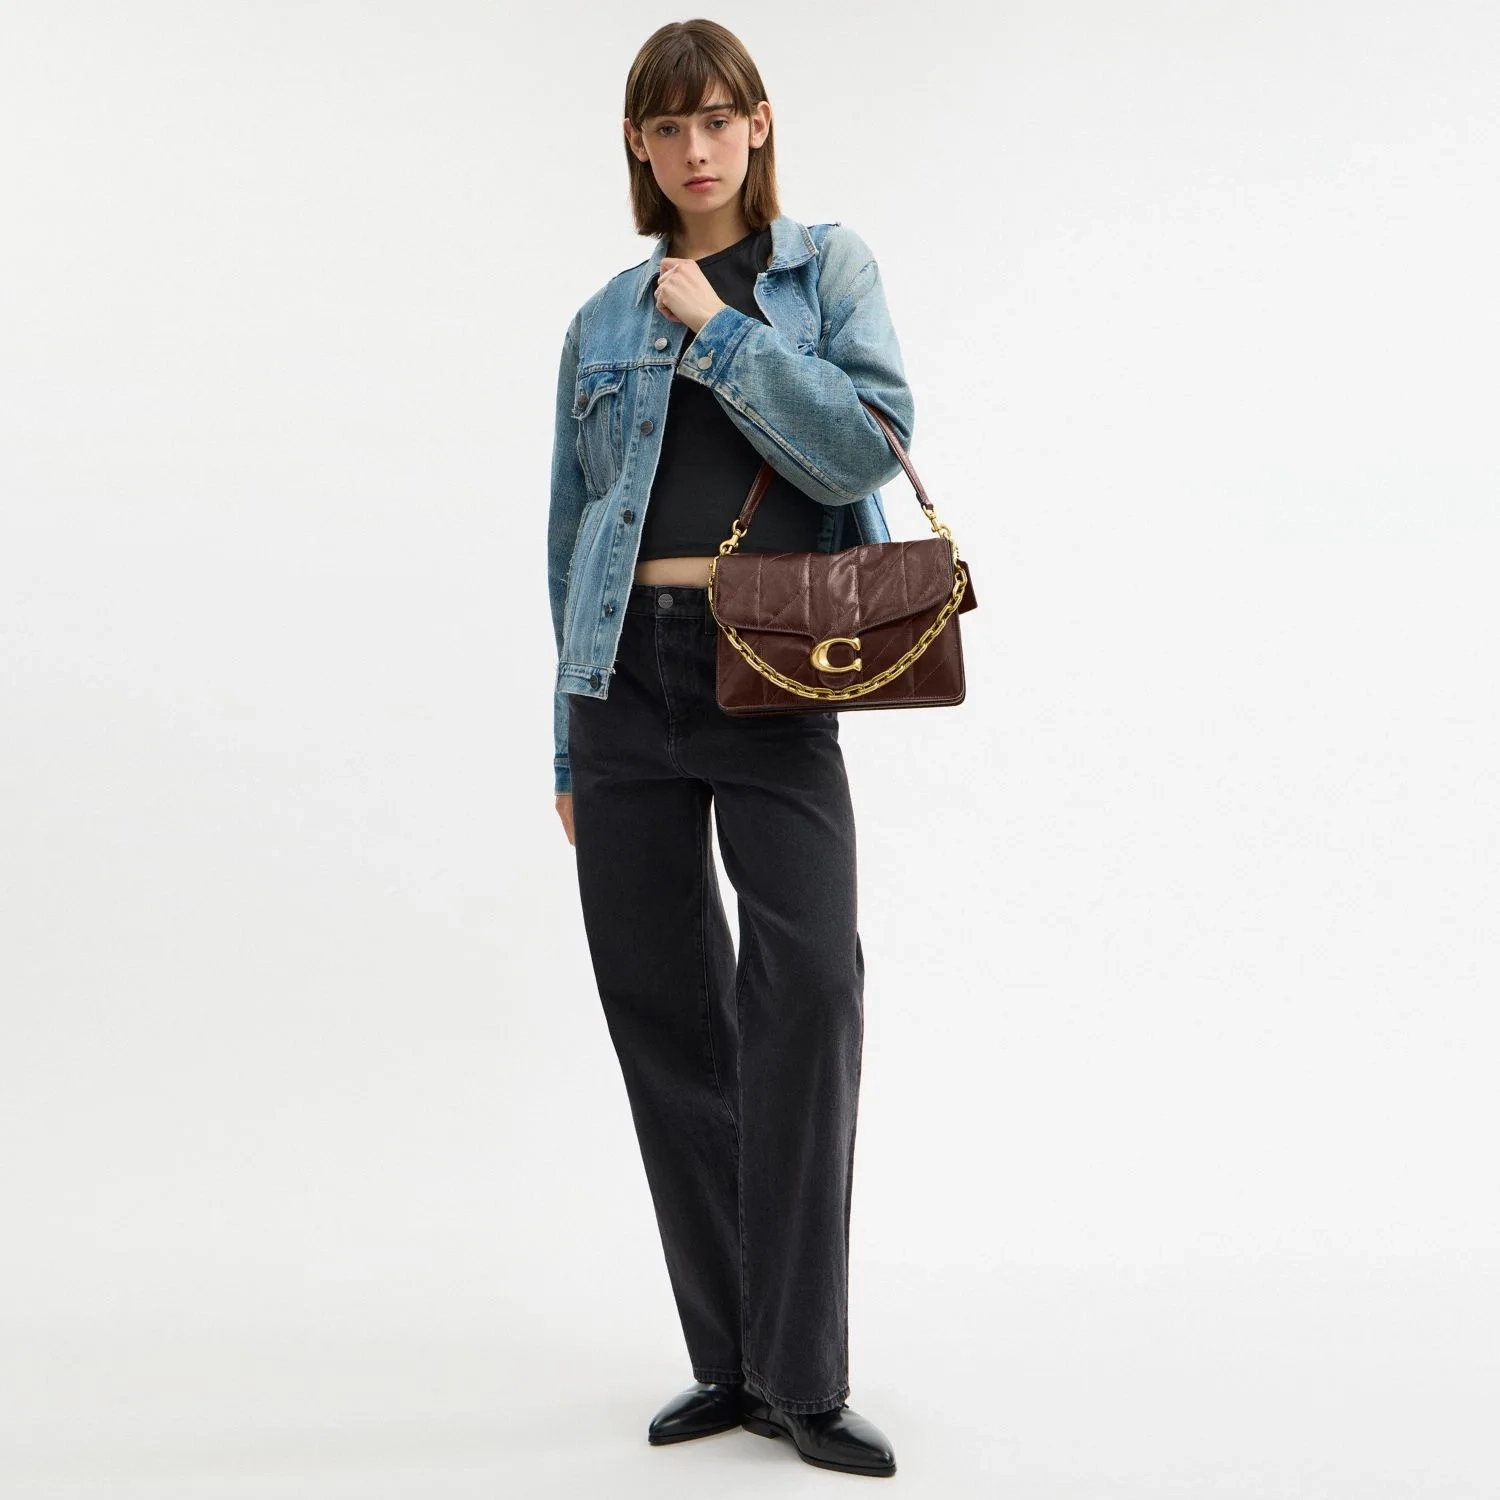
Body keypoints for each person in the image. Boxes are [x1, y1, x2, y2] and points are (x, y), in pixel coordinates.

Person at [545, 18, 914, 1479]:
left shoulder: (826, 272)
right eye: (667, 127)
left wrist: (725, 331)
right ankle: (732, 1361)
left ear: (757, 124)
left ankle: (805, 1377)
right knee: (663, 1009)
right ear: (639, 148)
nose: (694, 149)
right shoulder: (597, 321)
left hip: (776, 662)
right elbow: (568, 537)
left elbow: (867, 445)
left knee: (807, 989)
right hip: (622, 683)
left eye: (717, 120)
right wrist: (565, 748)